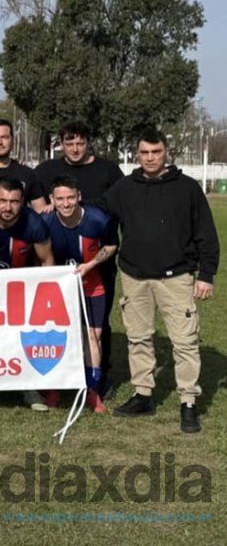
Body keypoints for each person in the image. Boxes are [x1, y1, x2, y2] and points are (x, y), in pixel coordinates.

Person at [100, 130, 219, 433]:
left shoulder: (188, 189)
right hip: (135, 277)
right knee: (138, 338)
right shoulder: (124, 188)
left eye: (156, 152)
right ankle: (143, 395)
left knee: (185, 343)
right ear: (137, 155)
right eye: (144, 153)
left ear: (166, 152)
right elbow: (96, 211)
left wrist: (206, 274)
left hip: (176, 278)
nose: (150, 158)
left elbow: (206, 233)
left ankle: (188, 402)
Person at [34, 120, 124, 390]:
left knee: (97, 324)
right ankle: (63, 377)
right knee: (61, 322)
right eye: (69, 142)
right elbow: (37, 206)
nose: (74, 148)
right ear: (61, 143)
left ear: (88, 142)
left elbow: (117, 206)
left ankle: (98, 375)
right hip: (61, 260)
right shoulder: (47, 169)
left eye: (80, 142)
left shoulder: (108, 169)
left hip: (97, 258)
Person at [0, 176, 55, 412]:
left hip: (21, 288)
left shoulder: (34, 224)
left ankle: (29, 387)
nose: (8, 207)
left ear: (22, 201)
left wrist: (46, 293)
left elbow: (47, 260)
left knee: (23, 336)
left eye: (14, 202)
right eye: (3, 201)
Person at [41, 175, 118, 413]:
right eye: (60, 199)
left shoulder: (97, 219)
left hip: (92, 286)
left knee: (93, 337)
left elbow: (112, 245)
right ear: (52, 200)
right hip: (60, 289)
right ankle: (54, 387)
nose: (66, 204)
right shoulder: (45, 221)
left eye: (71, 198)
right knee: (57, 336)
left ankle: (91, 390)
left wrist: (91, 264)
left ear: (79, 197)